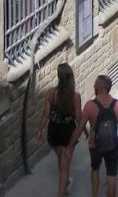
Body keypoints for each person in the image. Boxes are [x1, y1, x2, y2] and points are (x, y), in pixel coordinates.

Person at [69, 75, 118, 197]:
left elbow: (80, 128)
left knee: (95, 169)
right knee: (111, 175)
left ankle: (95, 194)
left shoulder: (90, 106)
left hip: (95, 145)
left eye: (95, 85)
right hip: (113, 144)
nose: (94, 86)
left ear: (101, 88)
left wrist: (70, 145)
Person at [36, 62, 82, 197]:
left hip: (54, 132)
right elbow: (79, 119)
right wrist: (86, 131)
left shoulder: (51, 93)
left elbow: (45, 115)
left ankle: (67, 182)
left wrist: (40, 130)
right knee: (64, 164)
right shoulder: (75, 96)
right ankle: (62, 192)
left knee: (62, 160)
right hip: (68, 134)